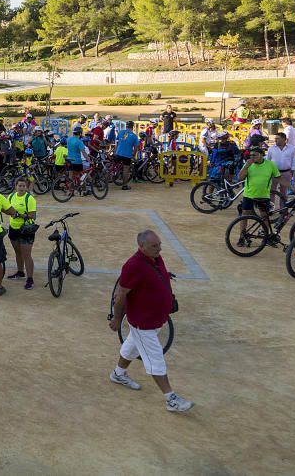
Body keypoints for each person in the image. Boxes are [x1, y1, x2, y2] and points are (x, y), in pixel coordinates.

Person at [107, 230, 193, 412]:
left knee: (131, 346)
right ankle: (171, 399)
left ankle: (118, 373)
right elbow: (121, 294)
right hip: (142, 323)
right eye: (154, 246)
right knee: (155, 359)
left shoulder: (155, 258)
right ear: (141, 246)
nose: (159, 249)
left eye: (159, 244)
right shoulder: (133, 265)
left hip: (155, 320)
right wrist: (116, 318)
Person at [237, 147, 280, 243]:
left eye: (254, 155)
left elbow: (278, 177)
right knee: (244, 215)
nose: (252, 157)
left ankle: (267, 236)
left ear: (261, 155)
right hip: (249, 195)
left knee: (264, 216)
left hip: (263, 195)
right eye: (251, 155)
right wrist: (246, 166)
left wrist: (292, 187)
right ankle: (241, 237)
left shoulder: (270, 164)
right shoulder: (248, 164)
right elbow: (240, 177)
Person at [6, 177, 37, 289]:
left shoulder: (30, 199)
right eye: (20, 185)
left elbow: (33, 215)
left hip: (26, 230)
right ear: (16, 186)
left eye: (24, 186)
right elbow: (6, 209)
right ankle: (20, 272)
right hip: (13, 228)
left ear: (27, 187)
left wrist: (19, 215)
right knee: (18, 253)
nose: (22, 188)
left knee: (27, 255)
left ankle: (30, 279)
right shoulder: (10, 196)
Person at [265, 132, 295, 208]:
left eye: (277, 138)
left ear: (284, 139)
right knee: (272, 191)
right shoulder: (271, 148)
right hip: (273, 173)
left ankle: (283, 209)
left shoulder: (292, 148)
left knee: (284, 192)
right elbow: (267, 161)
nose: (275, 140)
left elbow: (294, 160)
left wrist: (292, 171)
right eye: (275, 138)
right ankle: (271, 208)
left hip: (286, 172)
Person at [115, 122, 141, 190]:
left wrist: (115, 151)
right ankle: (124, 185)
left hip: (118, 153)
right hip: (127, 155)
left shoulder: (120, 132)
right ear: (133, 127)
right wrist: (133, 155)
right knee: (126, 170)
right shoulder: (134, 136)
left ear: (126, 126)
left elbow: (117, 142)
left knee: (113, 167)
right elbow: (136, 148)